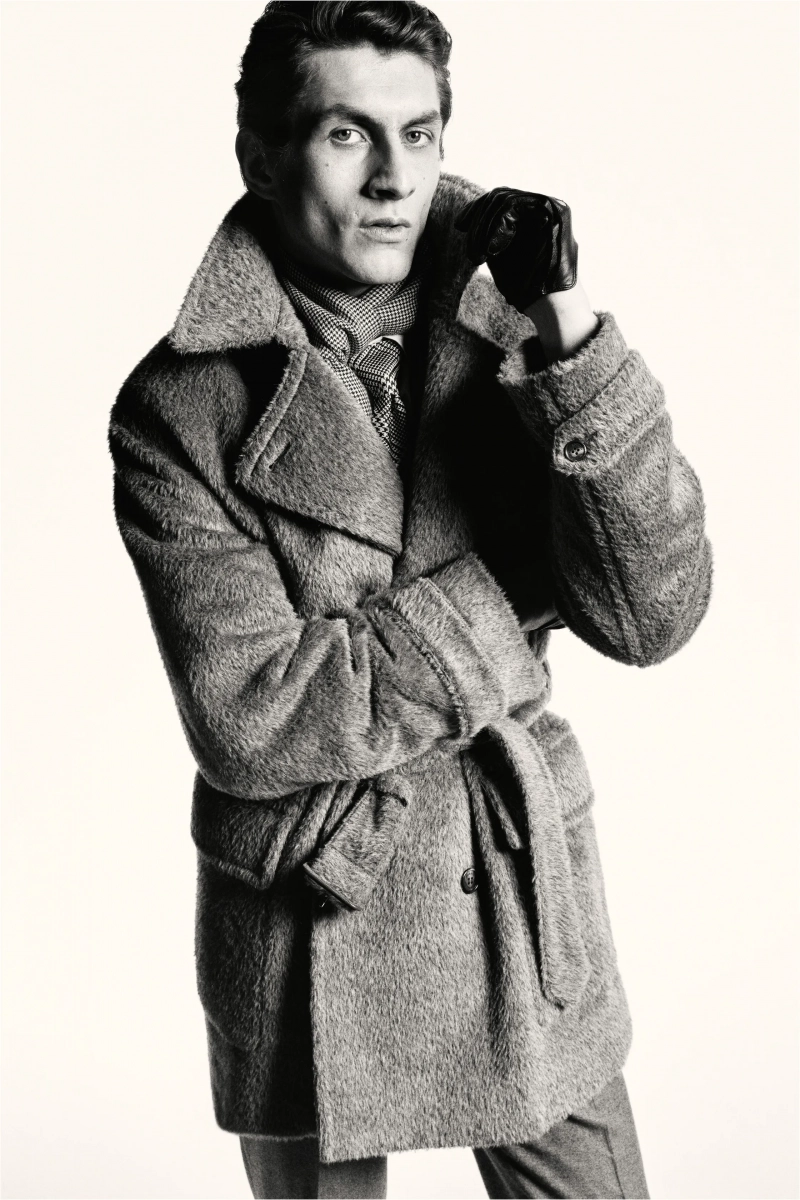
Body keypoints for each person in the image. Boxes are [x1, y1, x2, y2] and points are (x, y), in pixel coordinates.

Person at [108, 3, 712, 1196]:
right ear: (260, 155)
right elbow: (252, 717)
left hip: (511, 888)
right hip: (309, 908)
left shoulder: (512, 327)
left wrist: (568, 335)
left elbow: (651, 616)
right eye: (347, 134)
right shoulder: (177, 409)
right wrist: (501, 605)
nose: (393, 178)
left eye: (419, 134)